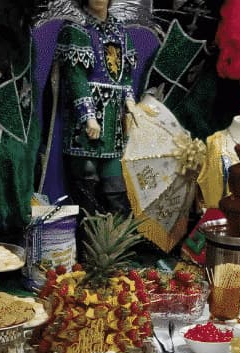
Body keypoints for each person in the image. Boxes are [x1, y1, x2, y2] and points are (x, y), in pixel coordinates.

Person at [54, 0, 139, 214]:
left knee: (116, 191)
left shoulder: (120, 31)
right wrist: (89, 117)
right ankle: (87, 244)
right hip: (84, 131)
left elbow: (125, 77)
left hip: (114, 129)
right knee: (87, 193)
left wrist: (130, 103)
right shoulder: (75, 29)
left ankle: (117, 243)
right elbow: (76, 79)